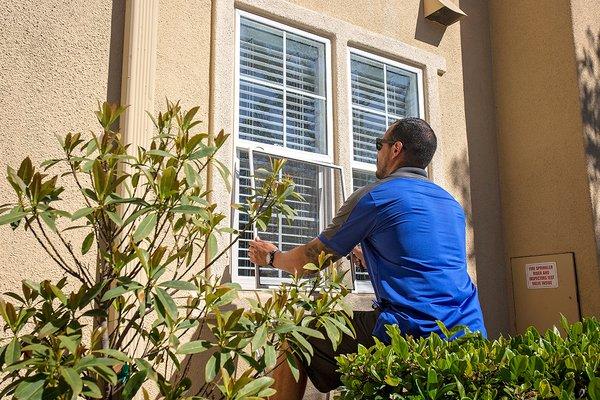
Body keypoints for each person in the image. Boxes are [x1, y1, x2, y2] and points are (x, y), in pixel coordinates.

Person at [248, 117, 487, 399]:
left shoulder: (376, 197)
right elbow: (422, 262)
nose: (377, 153)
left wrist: (273, 257)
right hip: (467, 332)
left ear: (396, 149)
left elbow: (310, 260)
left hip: (411, 332)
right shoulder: (451, 205)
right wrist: (371, 254)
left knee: (297, 337)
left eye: (379, 145)